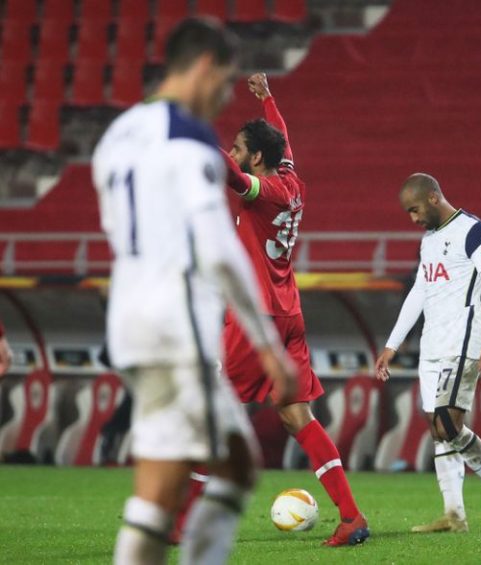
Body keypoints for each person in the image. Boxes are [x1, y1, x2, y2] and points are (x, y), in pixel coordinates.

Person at [92, 18, 295, 564]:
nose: (224, 96)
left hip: (132, 320)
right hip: (175, 325)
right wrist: (267, 344)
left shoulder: (119, 134)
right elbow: (217, 247)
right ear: (204, 66)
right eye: (225, 83)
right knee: (199, 474)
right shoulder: (189, 138)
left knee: (210, 467)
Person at [173, 73, 369, 547]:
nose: (236, 153)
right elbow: (283, 142)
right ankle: (351, 517)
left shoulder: (266, 191)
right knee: (296, 416)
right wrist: (268, 101)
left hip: (254, 317)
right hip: (289, 316)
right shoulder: (291, 179)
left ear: (255, 157)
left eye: (241, 147)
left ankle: (181, 526)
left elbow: (233, 176)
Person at [375, 173, 481, 533]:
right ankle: (454, 514)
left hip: (464, 341)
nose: (413, 219)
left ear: (434, 197)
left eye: (415, 209)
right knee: (438, 429)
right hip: (432, 345)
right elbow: (419, 294)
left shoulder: (473, 230)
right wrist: (392, 343)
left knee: (447, 422)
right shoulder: (429, 241)